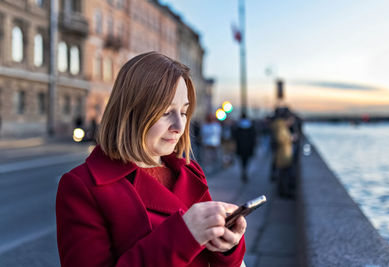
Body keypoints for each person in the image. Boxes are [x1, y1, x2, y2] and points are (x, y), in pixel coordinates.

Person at [56, 52, 246, 267]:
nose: (179, 126)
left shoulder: (190, 171)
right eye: (166, 112)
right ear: (131, 110)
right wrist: (183, 235)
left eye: (183, 112)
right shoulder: (82, 186)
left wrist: (228, 246)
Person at [233, 113, 256, 183]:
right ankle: (245, 170)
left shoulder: (238, 126)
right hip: (248, 147)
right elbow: (253, 137)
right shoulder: (251, 126)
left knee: (242, 160)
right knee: (247, 160)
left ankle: (243, 170)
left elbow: (235, 136)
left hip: (241, 146)